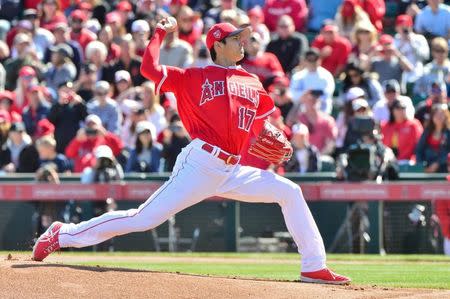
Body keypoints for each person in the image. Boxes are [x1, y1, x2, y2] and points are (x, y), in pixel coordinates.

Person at [32, 18, 351, 285]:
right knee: (143, 219)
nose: (243, 43)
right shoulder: (193, 77)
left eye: (243, 39)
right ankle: (63, 234)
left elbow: (257, 125)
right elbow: (150, 70)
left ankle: (312, 265)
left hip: (234, 168)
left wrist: (275, 138)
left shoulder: (253, 82)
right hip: (201, 164)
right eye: (235, 39)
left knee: (290, 191)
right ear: (217, 44)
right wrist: (159, 34)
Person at [416, 104, 450, 173]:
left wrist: (437, 163)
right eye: (436, 115)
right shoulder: (427, 132)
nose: (439, 117)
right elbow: (419, 150)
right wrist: (422, 166)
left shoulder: (448, 132)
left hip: (445, 168)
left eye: (441, 115)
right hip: (427, 168)